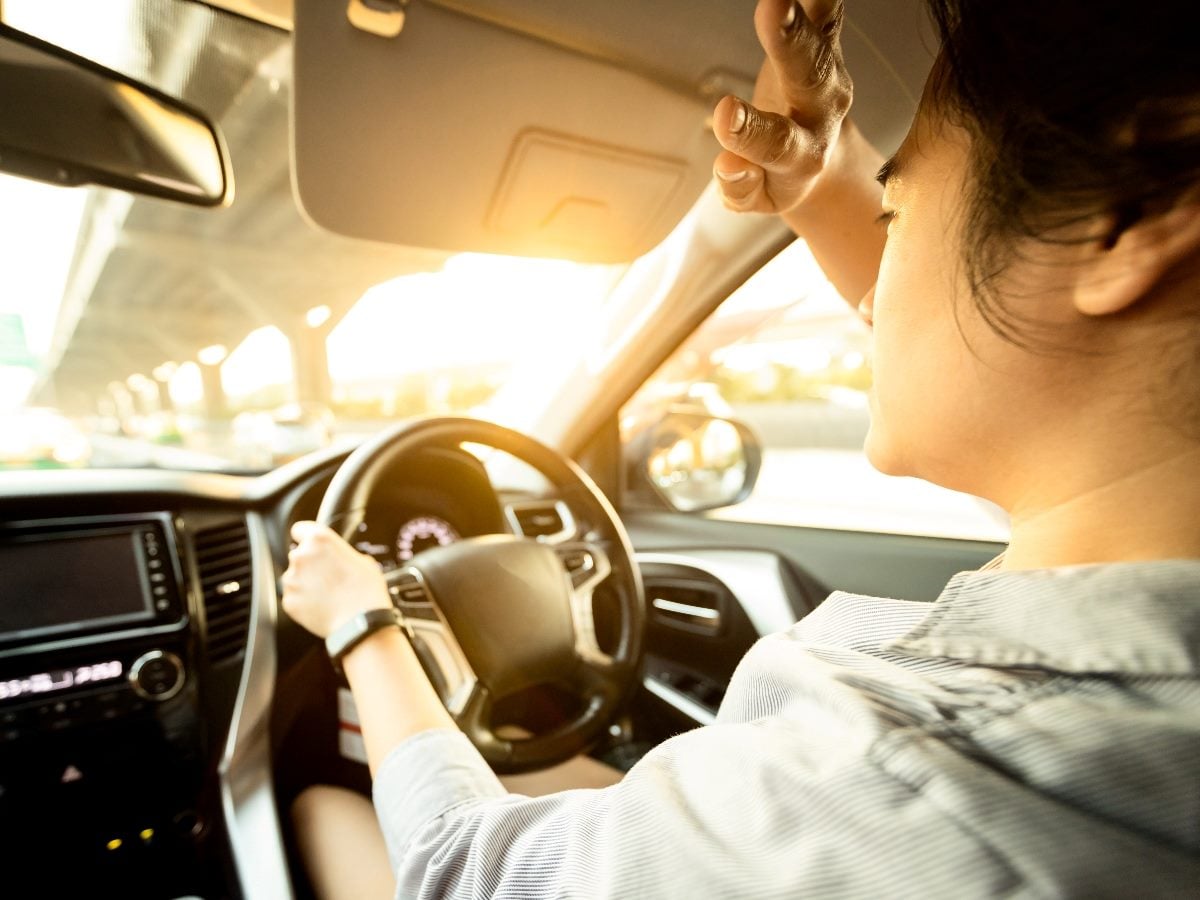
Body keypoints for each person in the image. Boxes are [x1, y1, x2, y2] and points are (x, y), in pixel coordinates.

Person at [282, 0, 1200, 896]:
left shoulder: (904, 783)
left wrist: (364, 618)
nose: (874, 294)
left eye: (898, 216)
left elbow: (461, 868)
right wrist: (827, 184)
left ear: (1119, 225)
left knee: (320, 806)